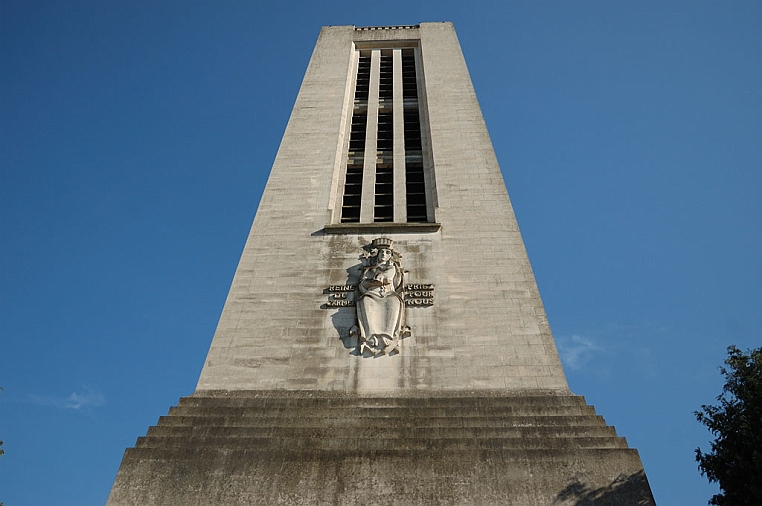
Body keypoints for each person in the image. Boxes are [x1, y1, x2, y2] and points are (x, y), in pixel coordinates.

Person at [355, 238, 405, 355]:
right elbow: (363, 283)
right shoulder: (369, 269)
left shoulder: (393, 268)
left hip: (388, 293)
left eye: (387, 252)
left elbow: (393, 281)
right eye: (381, 252)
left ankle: (388, 337)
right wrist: (371, 282)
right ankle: (370, 337)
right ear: (377, 255)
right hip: (372, 293)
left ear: (390, 256)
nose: (384, 254)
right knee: (365, 300)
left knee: (394, 301)